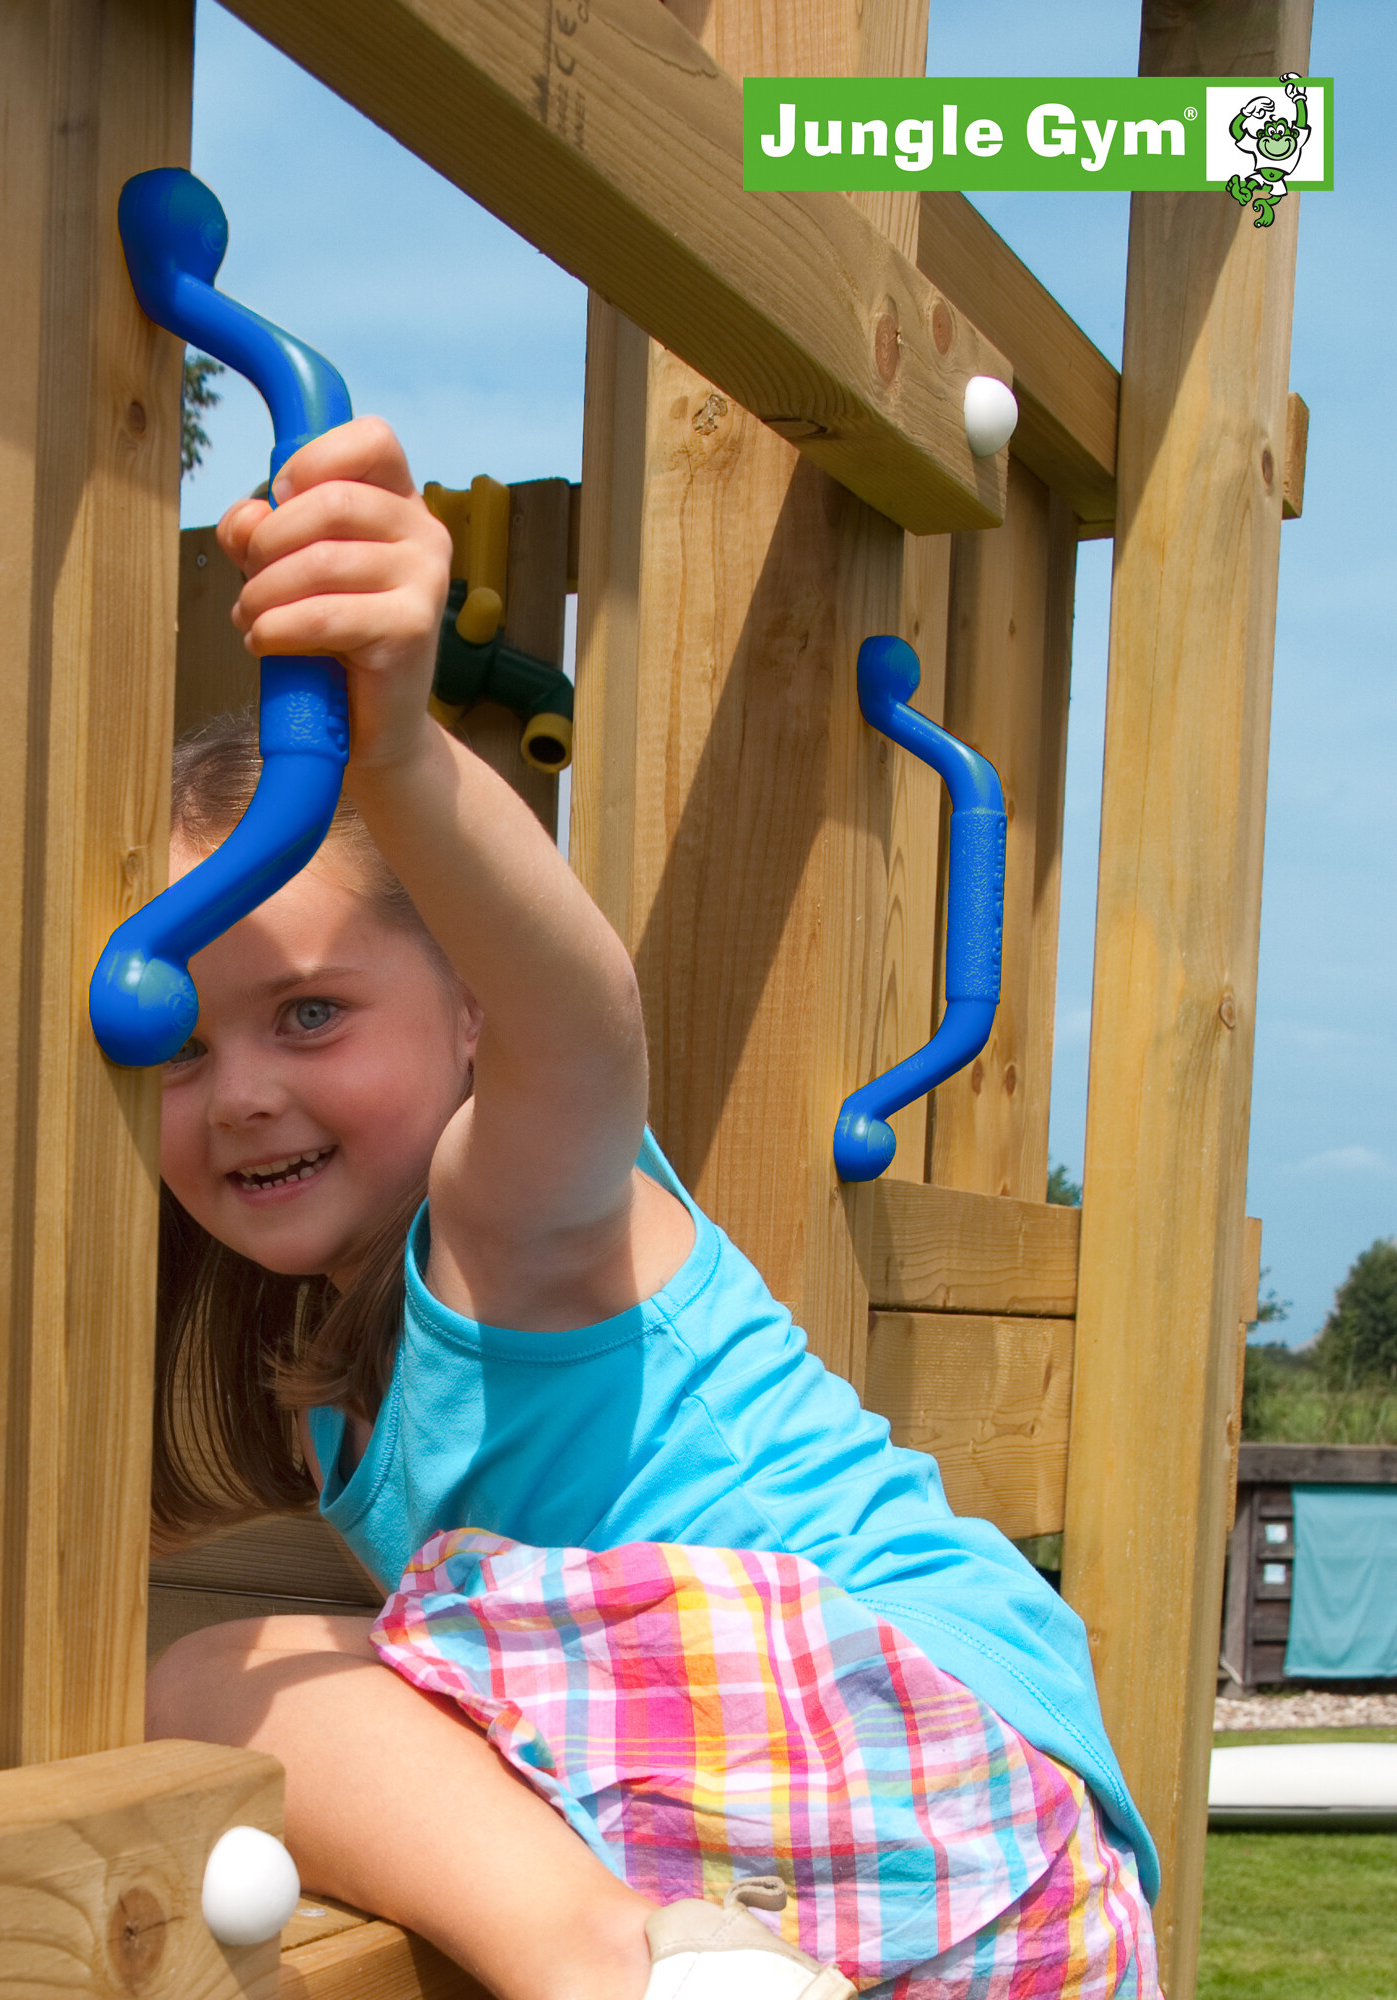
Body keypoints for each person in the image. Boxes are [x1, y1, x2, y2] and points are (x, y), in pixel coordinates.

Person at [145, 417, 1158, 2000]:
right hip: (1017, 1911)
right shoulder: (324, 1364)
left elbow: (586, 1015)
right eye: (181, 1048)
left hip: (914, 1743)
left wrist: (403, 751)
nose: (246, 1092)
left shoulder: (507, 1204)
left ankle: (604, 1962)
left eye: (311, 1015)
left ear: (471, 1008)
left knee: (223, 1678)